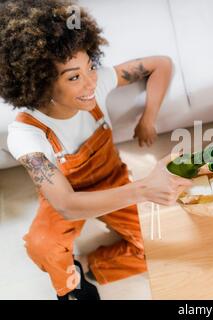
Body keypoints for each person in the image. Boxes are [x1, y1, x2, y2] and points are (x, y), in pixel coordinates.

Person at [0, 0, 192, 299]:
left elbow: (161, 63)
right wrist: (143, 190)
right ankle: (70, 284)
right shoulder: (26, 134)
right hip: (65, 195)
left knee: (162, 246)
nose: (91, 82)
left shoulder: (97, 83)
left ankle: (87, 265)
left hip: (113, 182)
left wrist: (148, 117)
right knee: (41, 245)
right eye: (74, 77)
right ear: (39, 84)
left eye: (90, 66)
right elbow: (65, 204)